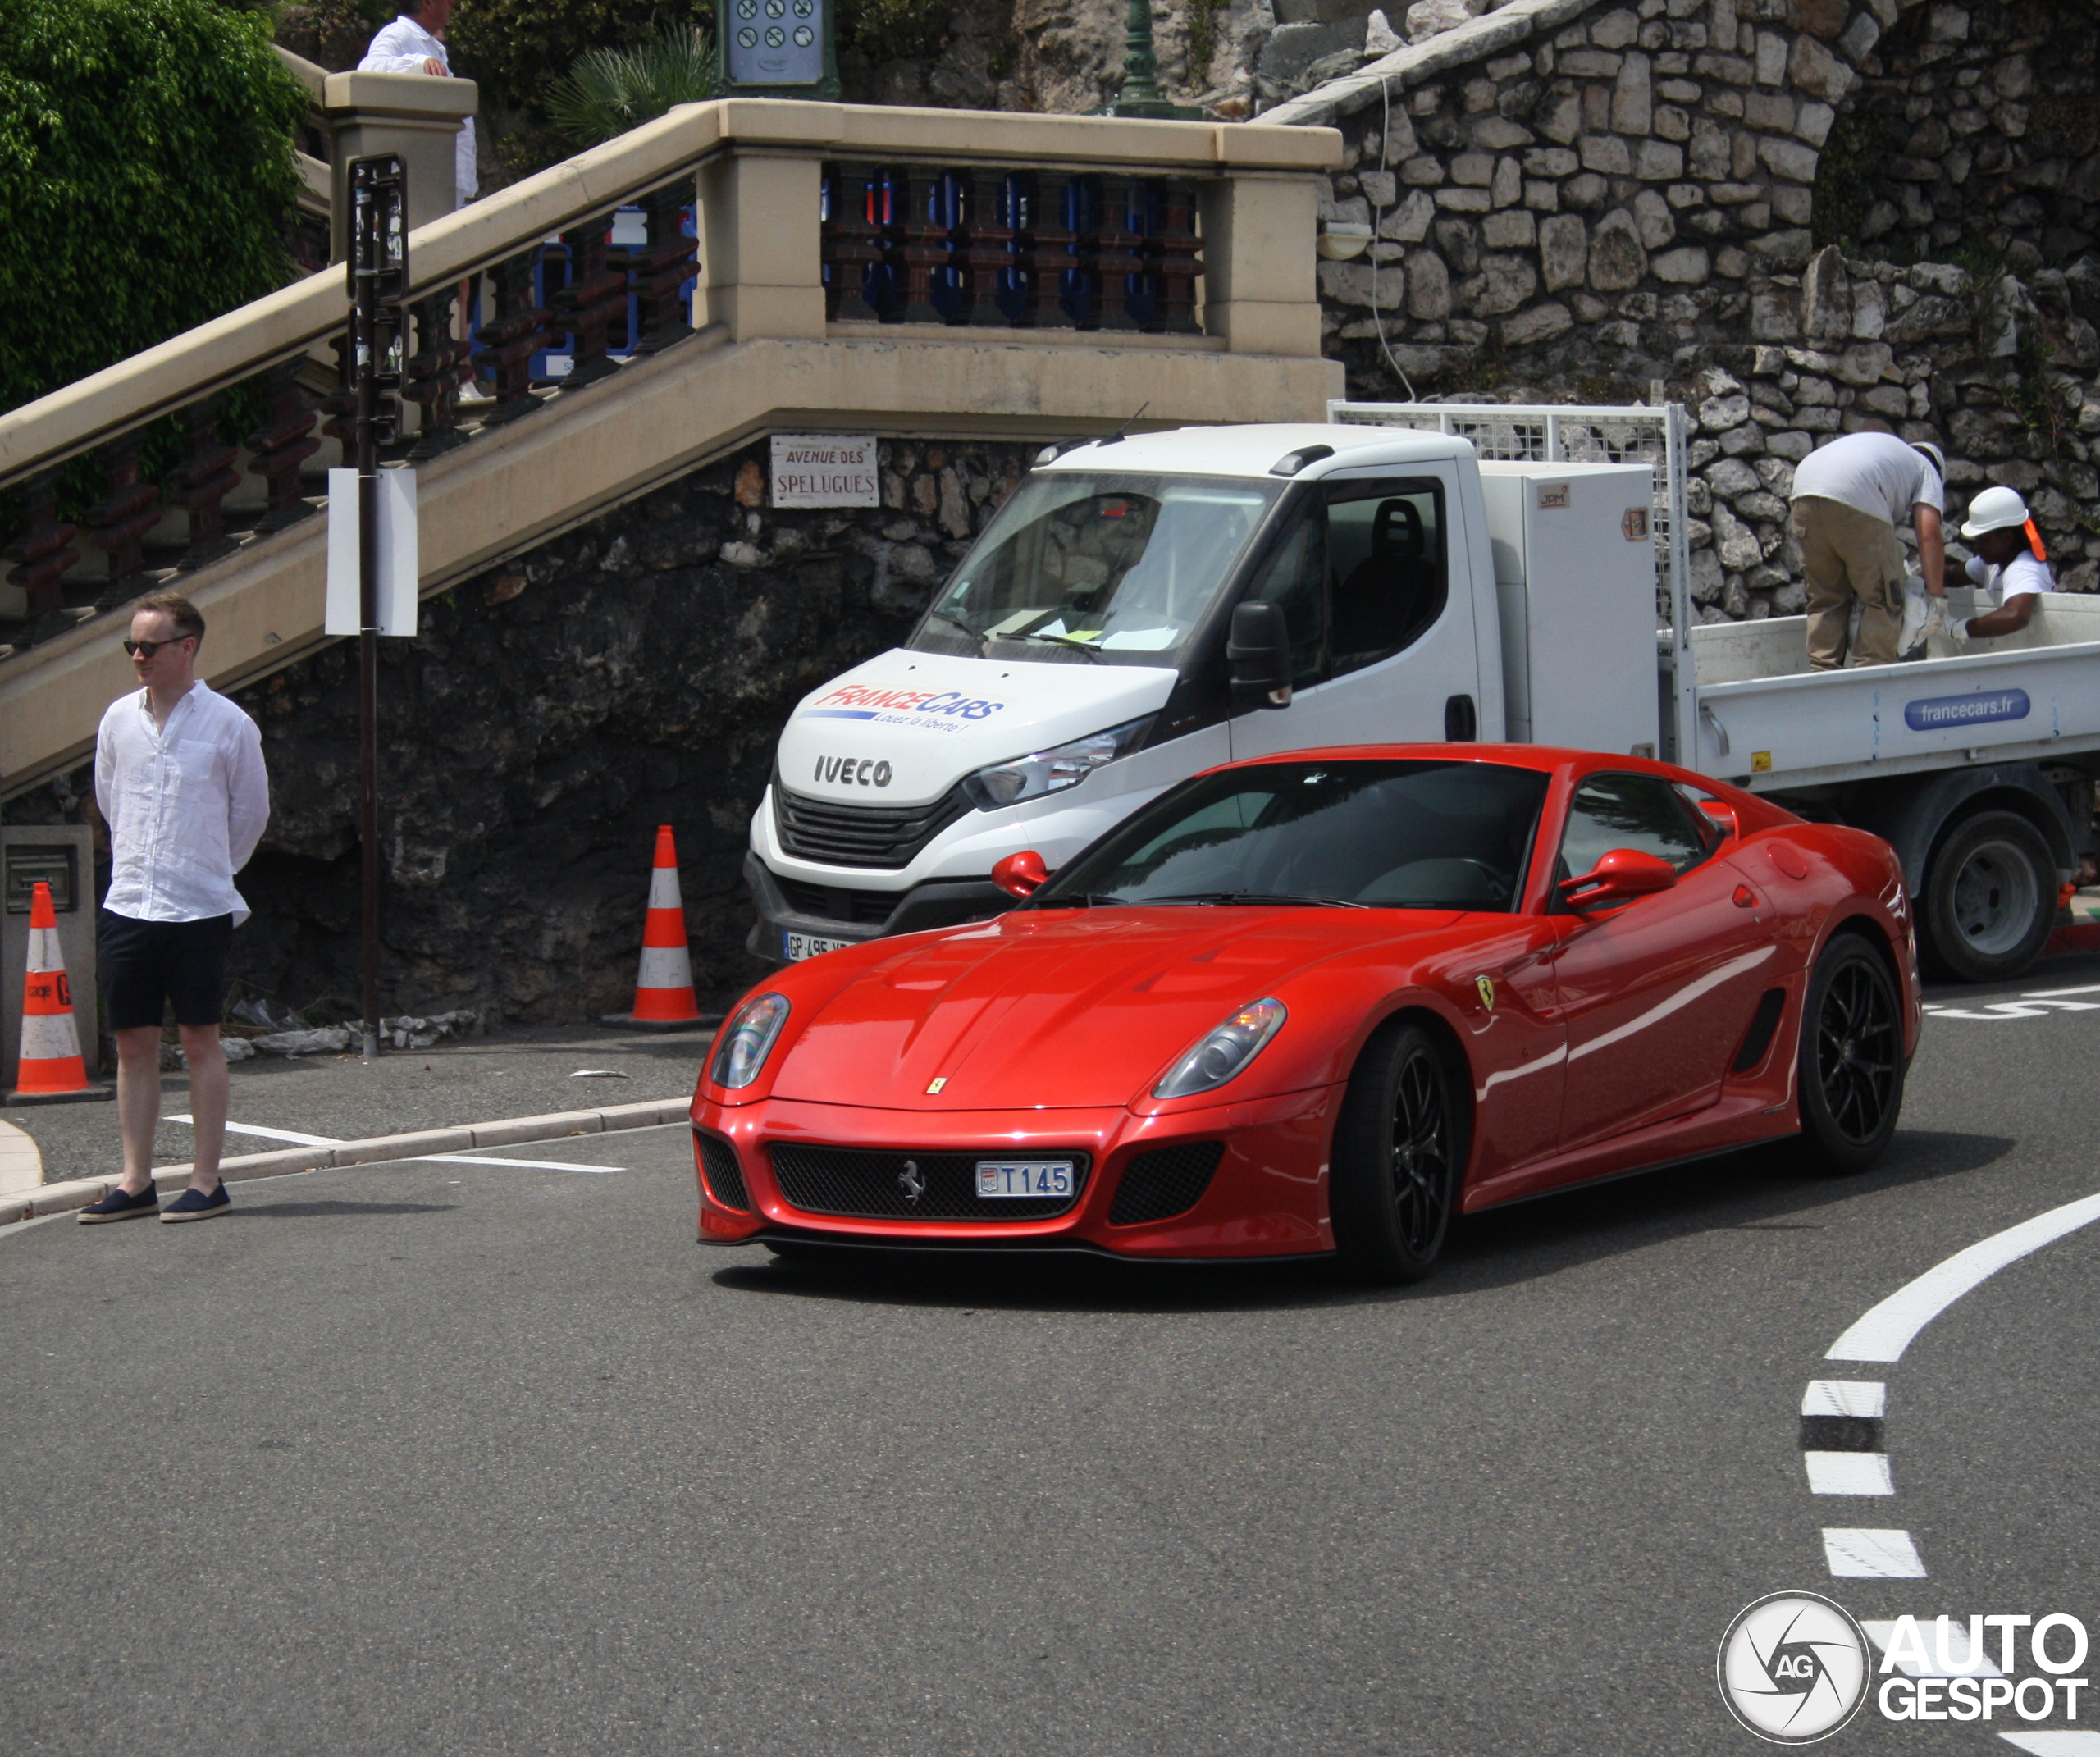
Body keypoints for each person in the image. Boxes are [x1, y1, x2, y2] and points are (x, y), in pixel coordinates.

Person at [76, 596, 270, 1225]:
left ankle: (206, 1179)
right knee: (133, 1040)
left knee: (198, 1038)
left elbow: (250, 814)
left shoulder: (229, 724)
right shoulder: (117, 721)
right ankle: (136, 1180)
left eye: (150, 647)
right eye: (131, 646)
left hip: (198, 906)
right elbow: (109, 798)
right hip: (130, 899)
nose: (138, 657)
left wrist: (212, 868)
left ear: (187, 647)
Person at [1788, 432, 1950, 669]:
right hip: (1855, 493)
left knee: (1826, 598)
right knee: (1885, 597)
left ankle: (1821, 674)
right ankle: (1871, 674)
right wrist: (1937, 599)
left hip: (1804, 488)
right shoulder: (1927, 469)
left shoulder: (1889, 454)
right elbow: (1928, 533)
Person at [358, 0, 478, 212]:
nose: (452, 3)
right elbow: (369, 68)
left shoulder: (431, 44)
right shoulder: (398, 34)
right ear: (428, 3)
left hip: (444, 175)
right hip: (423, 179)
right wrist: (417, 63)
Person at [1938, 484, 2051, 646]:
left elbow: (2016, 616)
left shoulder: (2024, 568)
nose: (1977, 546)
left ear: (2007, 538)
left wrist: (1958, 629)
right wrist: (1914, 581)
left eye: (1983, 540)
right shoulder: (1995, 562)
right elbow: (1950, 575)